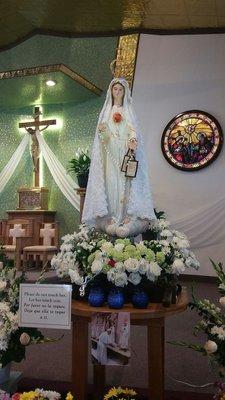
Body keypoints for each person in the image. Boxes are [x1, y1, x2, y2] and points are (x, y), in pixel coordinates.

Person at [82, 77, 156, 237]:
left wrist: (133, 141)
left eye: (120, 89)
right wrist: (103, 132)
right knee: (110, 182)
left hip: (124, 152)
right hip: (110, 155)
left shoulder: (127, 111)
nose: (117, 92)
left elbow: (132, 129)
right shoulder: (106, 113)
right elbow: (102, 138)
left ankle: (124, 216)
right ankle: (113, 216)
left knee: (126, 182)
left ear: (125, 92)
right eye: (115, 89)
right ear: (111, 91)